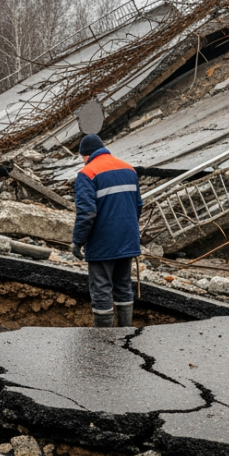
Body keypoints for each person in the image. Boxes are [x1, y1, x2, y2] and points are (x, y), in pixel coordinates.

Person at [71, 134, 142, 328]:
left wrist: (77, 241)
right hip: (127, 240)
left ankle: (105, 339)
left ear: (86, 155)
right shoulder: (129, 169)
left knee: (101, 288)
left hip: (103, 243)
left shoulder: (87, 173)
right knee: (123, 285)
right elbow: (138, 206)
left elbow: (86, 213)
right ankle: (125, 333)